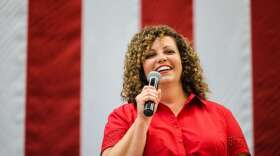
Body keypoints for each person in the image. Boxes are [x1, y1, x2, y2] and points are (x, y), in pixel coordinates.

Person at [101, 25, 250, 156]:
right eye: (150, 55)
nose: (161, 58)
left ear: (183, 61)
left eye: (169, 51)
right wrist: (142, 121)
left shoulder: (221, 115)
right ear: (140, 69)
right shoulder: (122, 116)